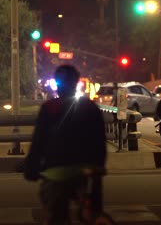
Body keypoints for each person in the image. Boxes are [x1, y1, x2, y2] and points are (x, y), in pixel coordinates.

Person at [24, 65, 107, 224]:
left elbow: (38, 143)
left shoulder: (49, 108)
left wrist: (31, 167)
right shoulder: (90, 107)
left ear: (57, 84)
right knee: (90, 213)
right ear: (76, 83)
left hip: (55, 173)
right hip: (84, 172)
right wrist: (97, 169)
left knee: (54, 214)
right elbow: (100, 143)